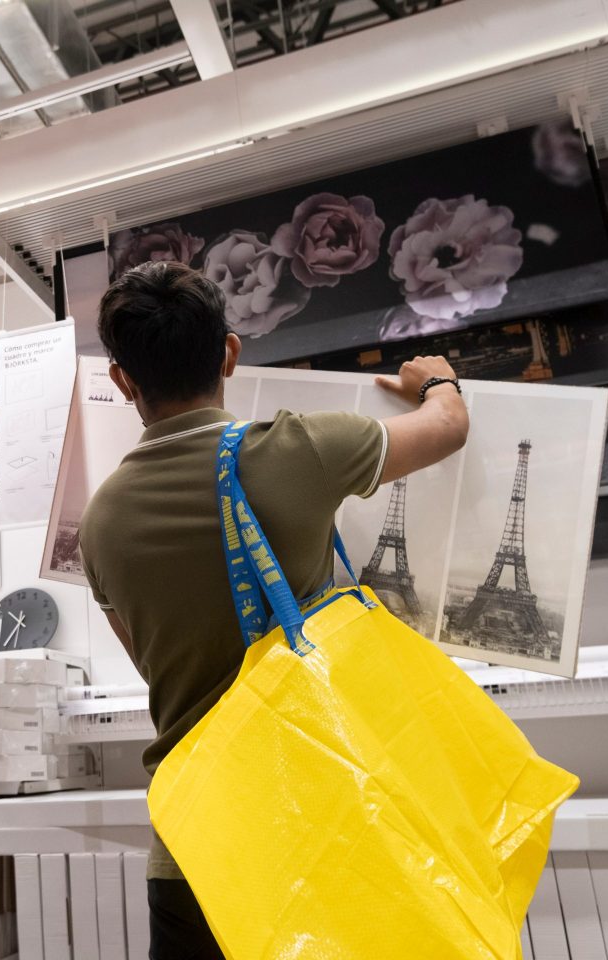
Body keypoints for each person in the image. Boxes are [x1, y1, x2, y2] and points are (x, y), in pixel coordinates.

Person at [77, 261, 470, 959]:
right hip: (319, 835)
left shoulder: (100, 523)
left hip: (194, 851)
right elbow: (447, 428)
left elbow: (150, 656)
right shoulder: (302, 449)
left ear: (123, 381)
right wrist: (435, 381)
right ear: (229, 352)